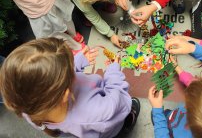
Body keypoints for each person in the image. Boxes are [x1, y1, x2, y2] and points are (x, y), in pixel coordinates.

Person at [0, 37, 140, 138]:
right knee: (124, 117)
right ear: (66, 94)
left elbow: (51, 78)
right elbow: (118, 102)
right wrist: (113, 72)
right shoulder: (97, 112)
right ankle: (127, 124)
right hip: (110, 124)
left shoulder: (28, 107)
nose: (72, 65)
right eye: (69, 66)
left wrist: (76, 63)